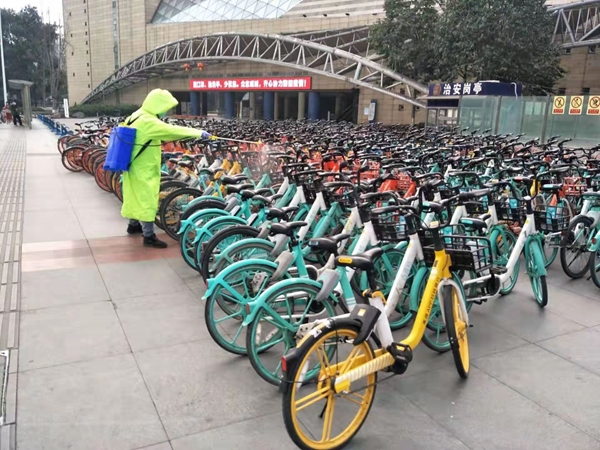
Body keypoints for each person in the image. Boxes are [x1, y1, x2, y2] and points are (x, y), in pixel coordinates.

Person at [121, 89, 211, 248]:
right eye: (164, 107)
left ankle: (133, 225)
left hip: (132, 164)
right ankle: (149, 235)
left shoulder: (137, 115)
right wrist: (198, 133)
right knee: (147, 199)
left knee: (135, 196)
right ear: (157, 105)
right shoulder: (148, 121)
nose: (165, 111)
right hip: (144, 167)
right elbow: (171, 131)